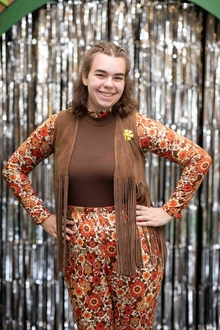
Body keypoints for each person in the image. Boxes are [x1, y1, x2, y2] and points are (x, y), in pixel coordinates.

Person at [2, 41, 212, 329]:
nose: (109, 85)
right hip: (81, 254)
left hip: (135, 253)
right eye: (101, 75)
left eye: (118, 77)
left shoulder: (137, 125)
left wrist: (169, 210)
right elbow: (14, 168)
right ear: (85, 77)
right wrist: (43, 217)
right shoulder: (58, 125)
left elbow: (199, 159)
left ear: (125, 82)